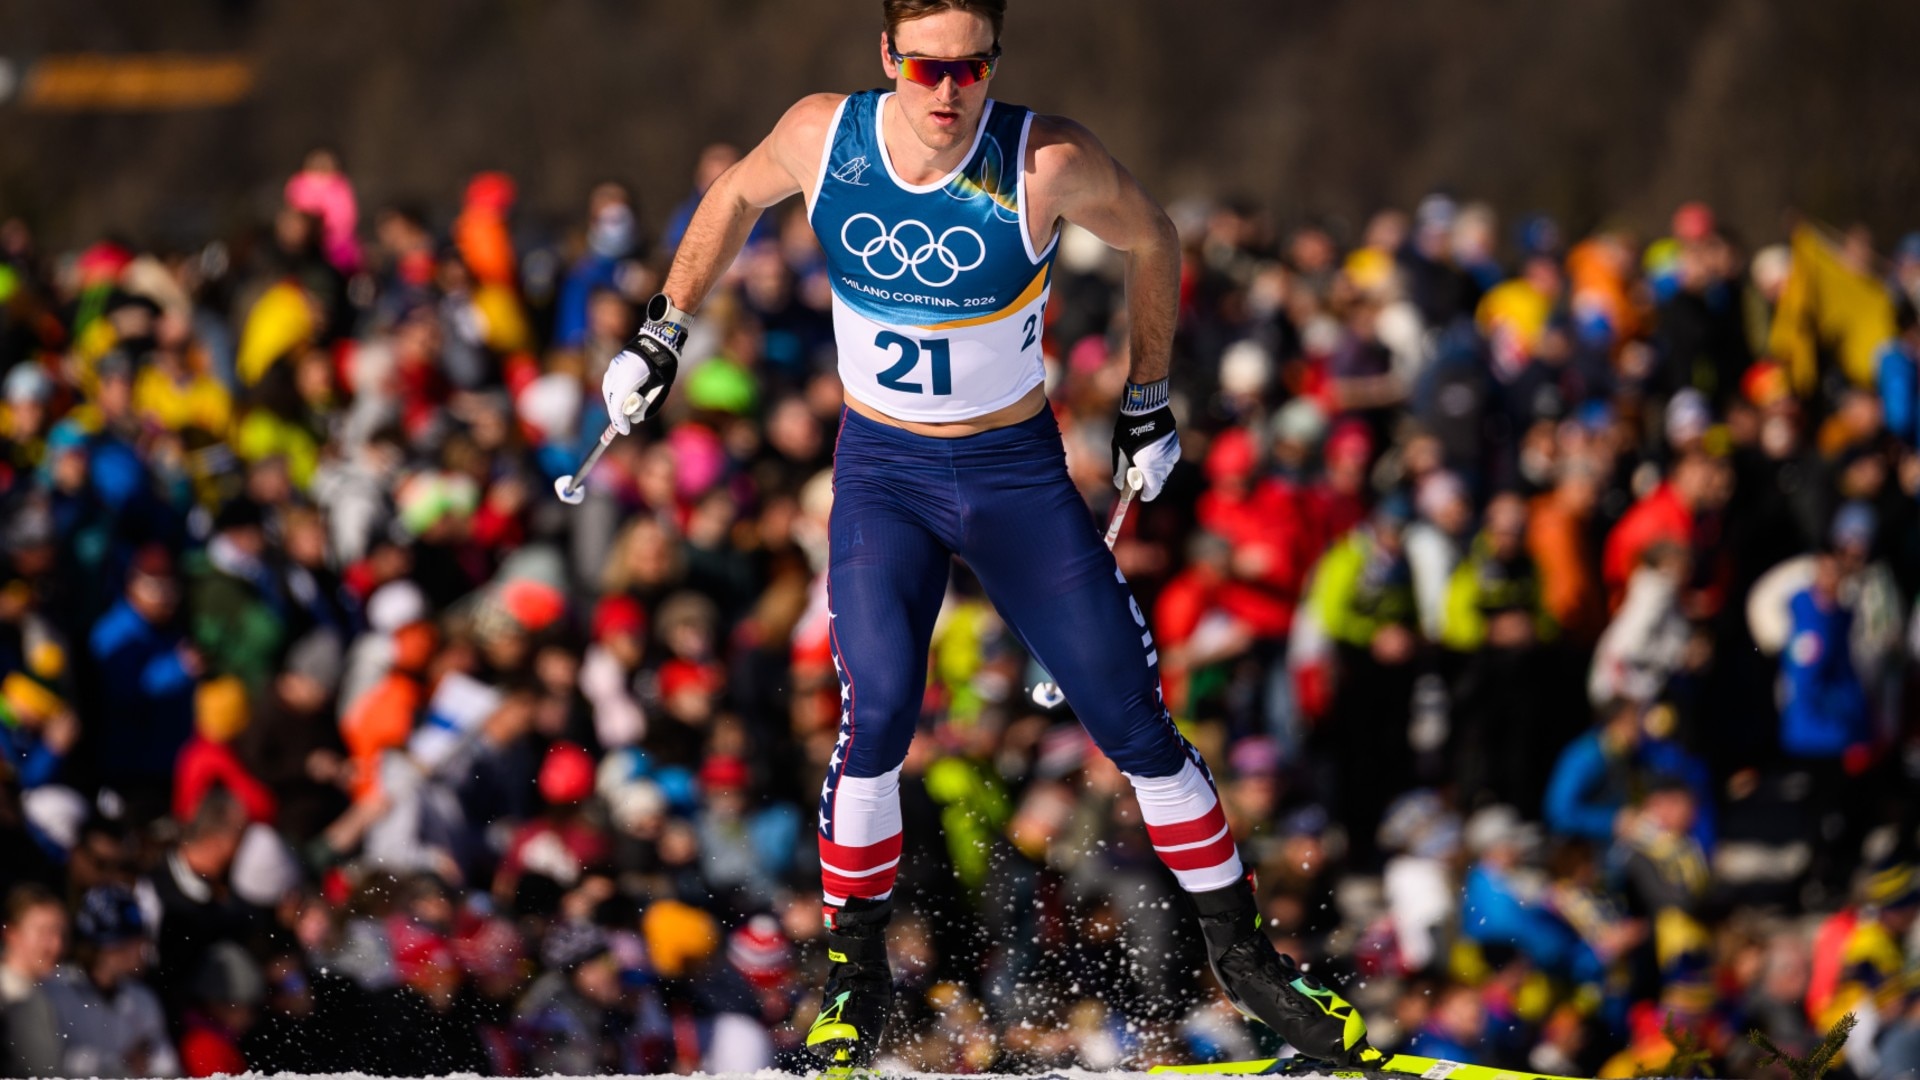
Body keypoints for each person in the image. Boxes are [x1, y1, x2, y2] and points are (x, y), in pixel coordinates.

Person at [596, 0, 1379, 1068]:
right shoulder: (827, 135)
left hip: (1014, 479)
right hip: (886, 475)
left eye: (972, 69)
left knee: (1136, 726)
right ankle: (855, 981)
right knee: (874, 719)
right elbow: (732, 197)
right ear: (888, 57)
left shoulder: (1043, 159)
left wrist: (1149, 401)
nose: (949, 94)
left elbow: (1157, 237)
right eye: (927, 69)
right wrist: (663, 328)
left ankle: (1248, 966)